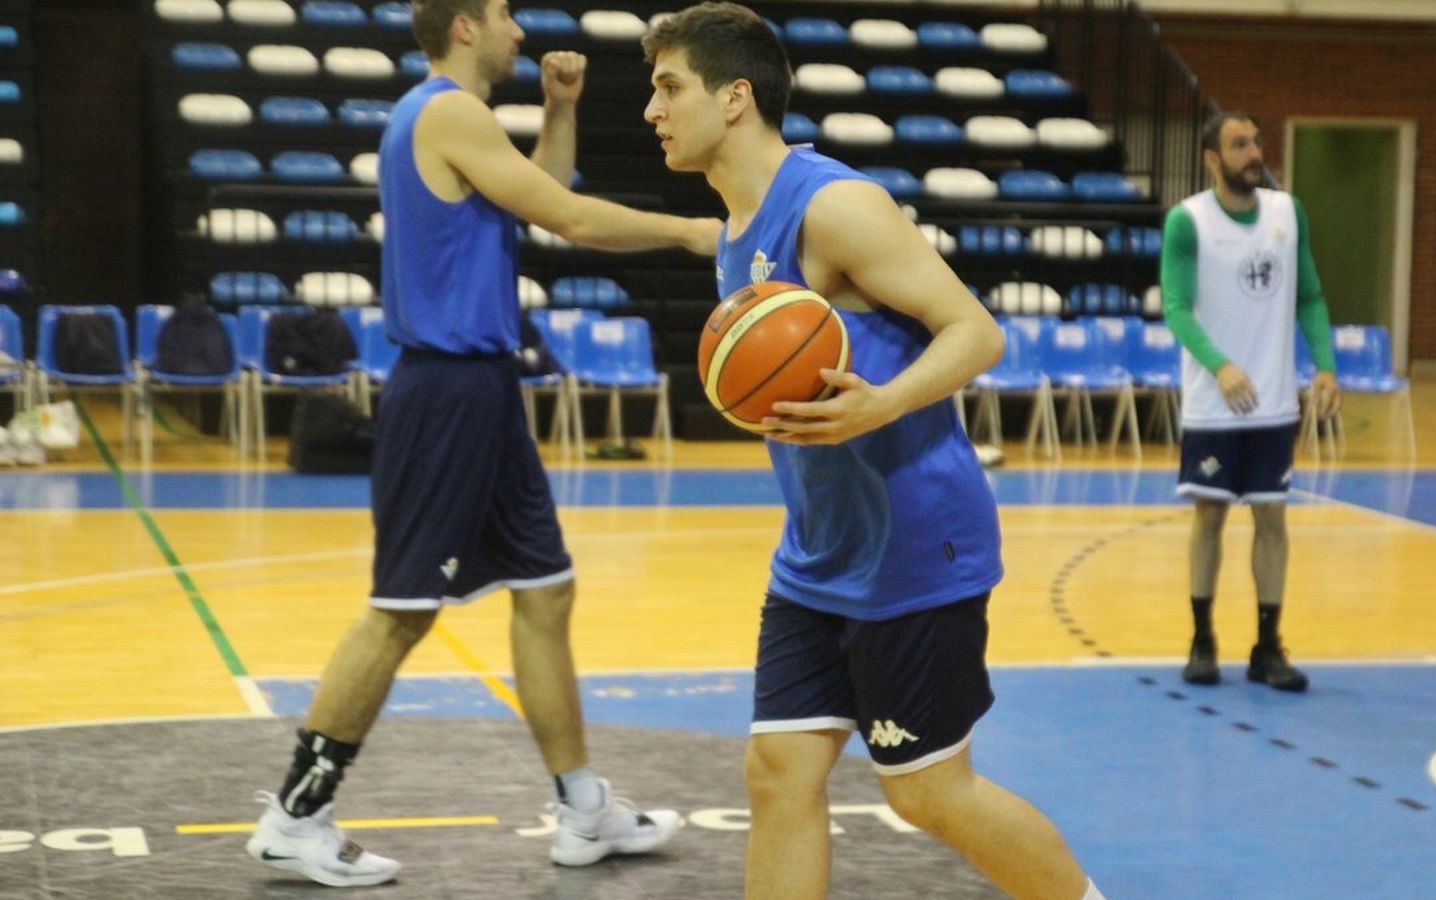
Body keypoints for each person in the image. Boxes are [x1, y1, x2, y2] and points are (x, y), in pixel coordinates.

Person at [245, 0, 721, 887]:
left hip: (482, 389)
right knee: (400, 613)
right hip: (447, 393)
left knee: (545, 590)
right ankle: (293, 815)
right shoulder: (447, 110)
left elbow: (539, 199)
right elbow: (571, 219)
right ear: (464, 25)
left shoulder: (445, 118)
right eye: (505, 14)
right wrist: (698, 231)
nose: (521, 32)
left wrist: (563, 107)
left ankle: (584, 811)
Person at [643, 5, 1106, 899]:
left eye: (669, 88)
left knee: (929, 791)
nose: (653, 111)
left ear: (735, 97)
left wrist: (881, 404)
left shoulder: (835, 207)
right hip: (819, 554)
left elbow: (977, 333)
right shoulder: (738, 230)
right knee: (779, 772)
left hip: (913, 546)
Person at [1159, 111, 1340, 693]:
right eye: (1239, 144)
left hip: (1274, 404)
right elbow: (1176, 308)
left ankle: (1267, 646)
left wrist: (1326, 367)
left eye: (1257, 141)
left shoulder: (1288, 215)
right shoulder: (1188, 222)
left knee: (1272, 518)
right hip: (1215, 402)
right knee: (1209, 515)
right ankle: (1202, 639)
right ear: (1212, 159)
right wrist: (1221, 365)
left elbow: (1309, 296)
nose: (1254, 152)